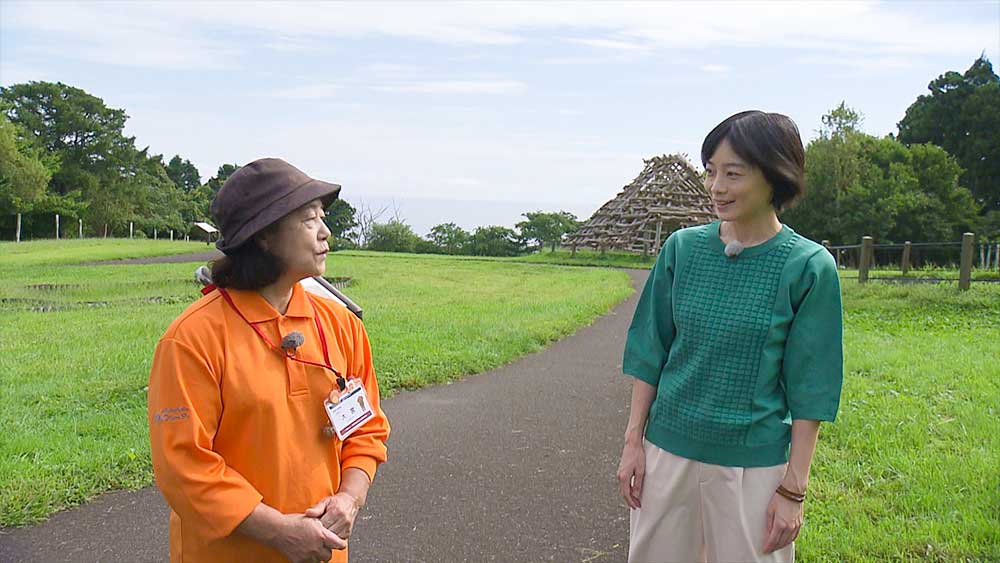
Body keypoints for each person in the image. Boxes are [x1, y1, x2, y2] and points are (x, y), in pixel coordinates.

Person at [616, 111, 843, 562]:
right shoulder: (681, 249)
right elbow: (650, 351)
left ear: (776, 175)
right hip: (667, 455)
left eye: (733, 173)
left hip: (753, 470)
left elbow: (811, 387)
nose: (717, 186)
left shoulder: (808, 266)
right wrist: (633, 445)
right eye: (711, 171)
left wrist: (793, 489)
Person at [148, 158, 390, 563]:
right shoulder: (192, 339)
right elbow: (183, 466)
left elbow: (367, 430)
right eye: (309, 219)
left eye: (322, 217)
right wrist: (279, 532)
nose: (325, 231)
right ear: (263, 236)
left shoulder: (341, 326)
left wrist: (349, 499)